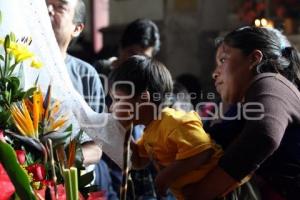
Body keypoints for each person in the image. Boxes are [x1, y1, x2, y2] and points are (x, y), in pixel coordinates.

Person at [183, 27, 300, 200]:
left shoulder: (270, 82)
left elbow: (264, 134)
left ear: (254, 58)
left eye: (223, 60)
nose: (215, 73)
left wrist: (202, 192)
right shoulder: (254, 98)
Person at [109, 55, 223, 200]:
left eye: (117, 99)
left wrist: (164, 177)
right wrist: (123, 132)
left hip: (223, 192)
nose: (112, 107)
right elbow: (138, 162)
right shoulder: (150, 131)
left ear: (144, 98)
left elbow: (202, 151)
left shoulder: (173, 121)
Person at [46, 1, 117, 198]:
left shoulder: (86, 75)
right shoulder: (14, 63)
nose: (48, 10)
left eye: (60, 7)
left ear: (77, 28)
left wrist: (64, 161)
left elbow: (97, 147)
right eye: (46, 4)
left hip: (70, 183)